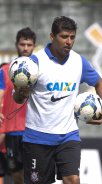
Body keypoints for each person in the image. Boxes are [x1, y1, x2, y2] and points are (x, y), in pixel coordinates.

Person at [13, 16, 102, 184]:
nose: (69, 42)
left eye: (72, 37)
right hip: (37, 137)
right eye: (64, 37)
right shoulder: (35, 62)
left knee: (73, 179)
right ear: (52, 37)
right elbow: (18, 99)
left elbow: (100, 83)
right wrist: (21, 92)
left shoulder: (79, 62)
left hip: (68, 135)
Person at [0, 27, 36, 184]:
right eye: (22, 44)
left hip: (35, 130)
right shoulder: (5, 70)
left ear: (34, 46)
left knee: (35, 177)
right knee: (17, 177)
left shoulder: (40, 71)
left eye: (29, 44)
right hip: (12, 132)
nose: (25, 48)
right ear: (16, 45)